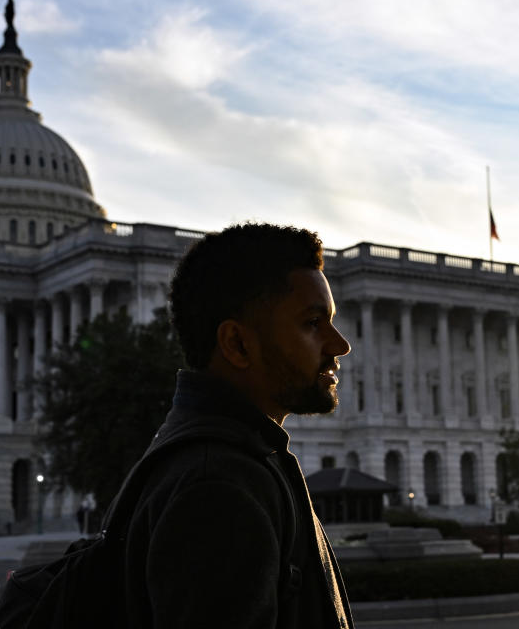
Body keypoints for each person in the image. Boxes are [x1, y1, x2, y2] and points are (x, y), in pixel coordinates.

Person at [122, 223, 353, 628]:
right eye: (313, 323)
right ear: (237, 344)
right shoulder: (218, 487)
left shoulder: (234, 460)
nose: (340, 345)